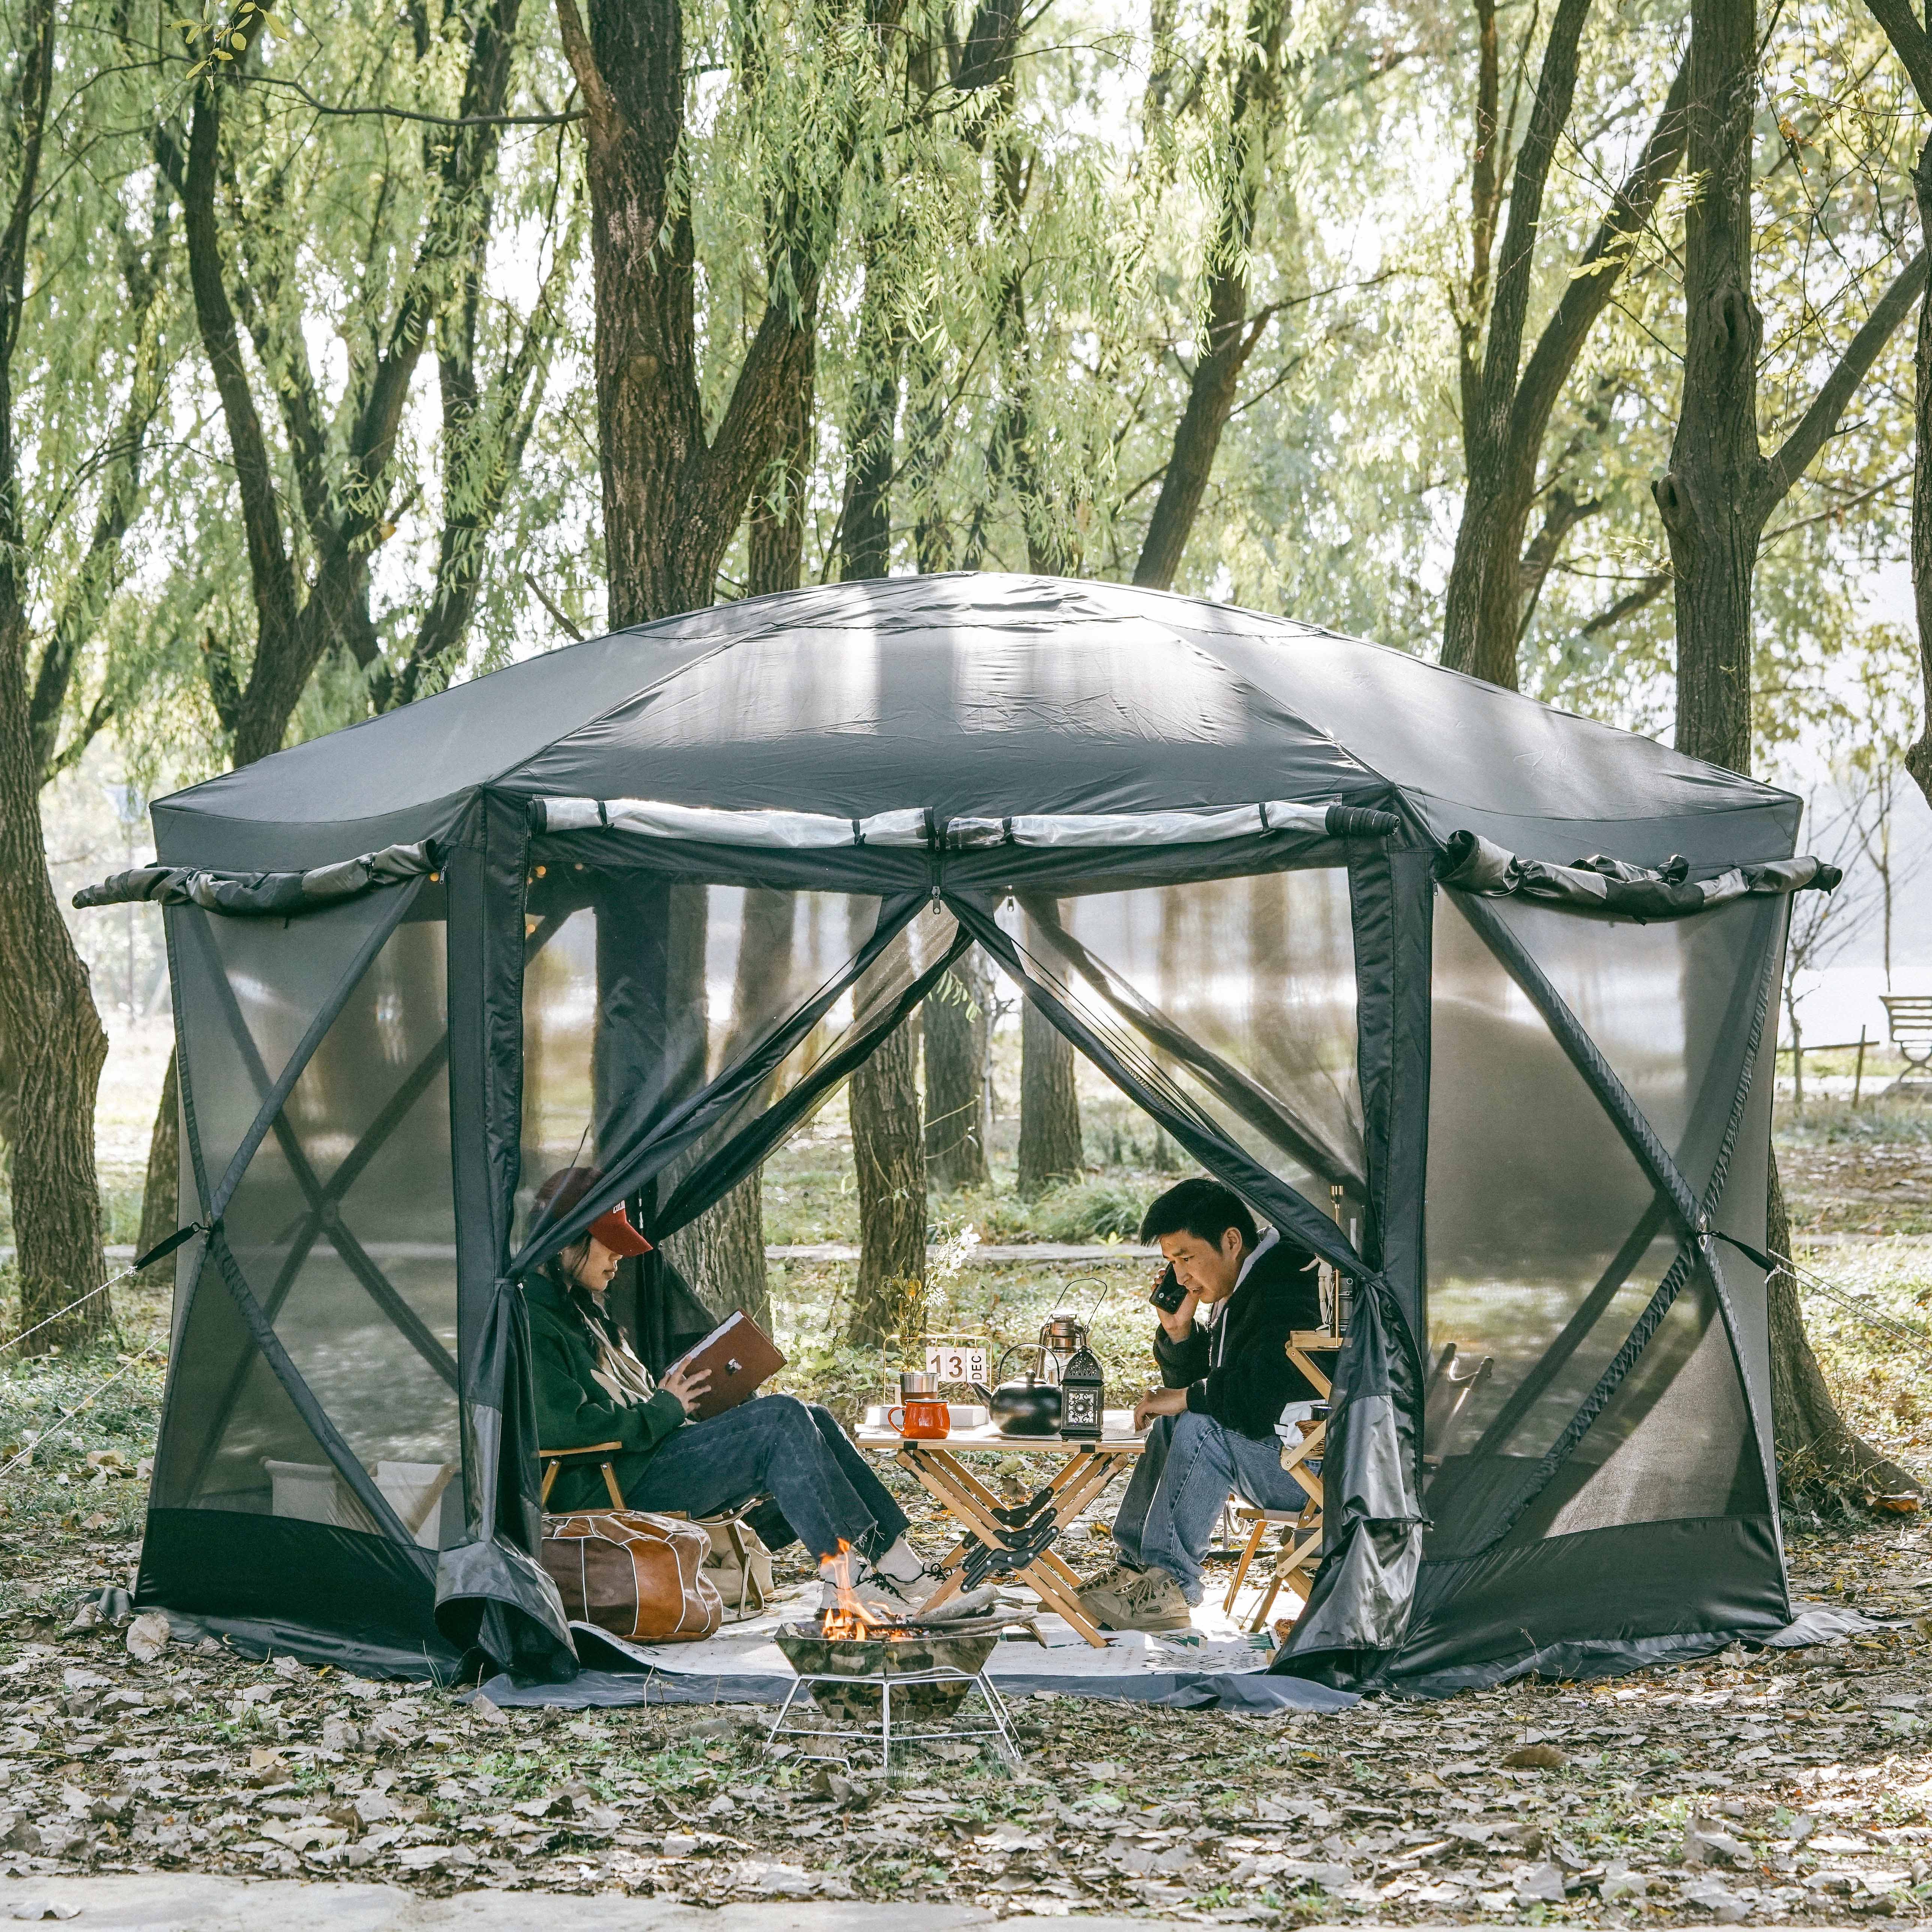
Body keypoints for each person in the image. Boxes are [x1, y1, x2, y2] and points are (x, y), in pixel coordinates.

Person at [525, 1166, 979, 1617]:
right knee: (781, 1418)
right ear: (566, 1241)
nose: (618, 1258)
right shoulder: (533, 1320)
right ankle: (844, 1581)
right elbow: (560, 1428)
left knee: (812, 1415)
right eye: (609, 1245)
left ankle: (901, 1568)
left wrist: (693, 1397)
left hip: (641, 1461)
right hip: (608, 1485)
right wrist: (663, 1409)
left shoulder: (582, 1310)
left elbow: (628, 1401)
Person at [1078, 1177, 1322, 1633]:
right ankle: (1134, 1572)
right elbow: (1210, 1393)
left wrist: (1186, 1397)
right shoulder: (1240, 1282)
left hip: (1314, 1472)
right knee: (1174, 1425)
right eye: (1172, 1263)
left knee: (1198, 1426)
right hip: (1275, 1456)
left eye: (1187, 1259)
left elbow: (1257, 1397)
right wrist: (1179, 1333)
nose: (1181, 1277)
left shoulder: (1286, 1284)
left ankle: (1168, 1586)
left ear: (1231, 1241)